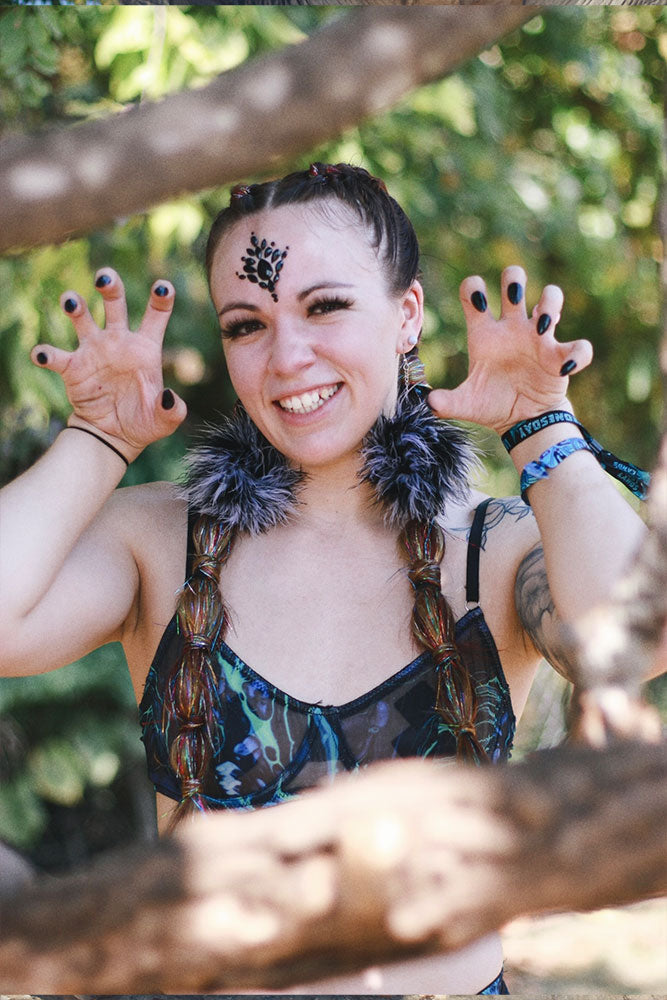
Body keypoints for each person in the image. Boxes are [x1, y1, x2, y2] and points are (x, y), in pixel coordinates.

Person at [0, 163, 656, 995]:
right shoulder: (163, 540)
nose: (287, 356)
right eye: (247, 325)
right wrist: (95, 438)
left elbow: (634, 643)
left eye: (326, 305)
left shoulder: (498, 550)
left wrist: (542, 431)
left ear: (407, 314)